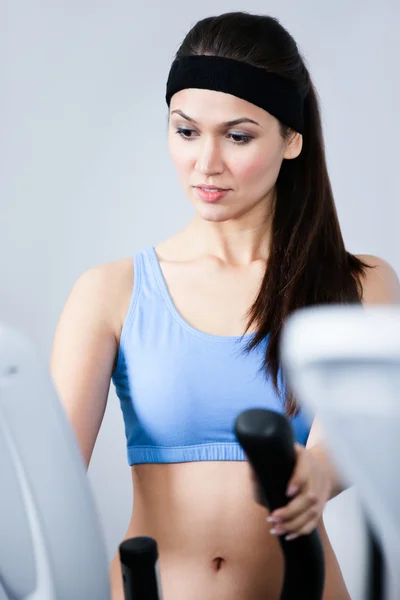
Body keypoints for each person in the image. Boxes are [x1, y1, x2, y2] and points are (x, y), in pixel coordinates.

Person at [50, 11, 400, 600]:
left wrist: (313, 472)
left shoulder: (361, 285)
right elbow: (45, 491)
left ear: (292, 139)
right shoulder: (109, 291)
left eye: (237, 136)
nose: (206, 163)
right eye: (186, 131)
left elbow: (351, 439)